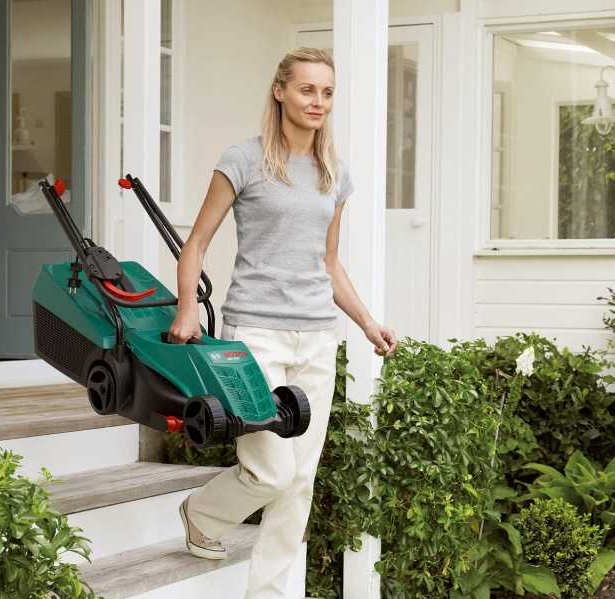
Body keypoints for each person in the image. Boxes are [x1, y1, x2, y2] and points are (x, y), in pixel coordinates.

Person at [170, 47, 398, 599]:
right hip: (255, 334)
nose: (317, 101)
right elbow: (197, 241)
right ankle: (203, 511)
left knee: (299, 481)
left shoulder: (334, 175)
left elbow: (329, 262)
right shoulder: (243, 160)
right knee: (270, 470)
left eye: (326, 92)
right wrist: (184, 309)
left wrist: (367, 323)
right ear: (280, 91)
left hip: (317, 335)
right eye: (307, 90)